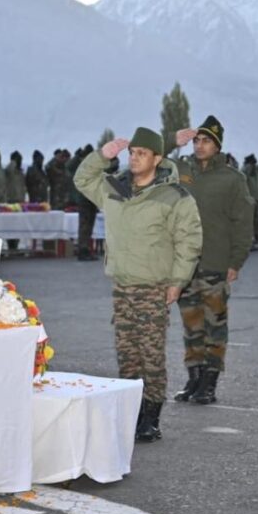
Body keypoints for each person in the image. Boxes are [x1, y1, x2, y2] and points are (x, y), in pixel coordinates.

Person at [74, 127, 202, 442]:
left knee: (151, 353)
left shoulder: (175, 196)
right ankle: (131, 410)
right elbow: (82, 180)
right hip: (122, 285)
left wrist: (178, 281)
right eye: (132, 153)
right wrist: (102, 156)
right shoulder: (114, 189)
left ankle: (151, 416)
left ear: (158, 158)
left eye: (142, 153)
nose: (134, 158)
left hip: (153, 286)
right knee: (127, 353)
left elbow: (189, 241)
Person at [168, 116, 254, 403]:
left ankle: (210, 382)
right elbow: (152, 161)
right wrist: (172, 141)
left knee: (214, 325)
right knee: (191, 323)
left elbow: (242, 222)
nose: (200, 145)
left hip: (216, 262)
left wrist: (236, 261)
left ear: (217, 146)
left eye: (206, 141)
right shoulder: (181, 170)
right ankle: (194, 377)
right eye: (197, 140)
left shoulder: (232, 179)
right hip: (185, 264)